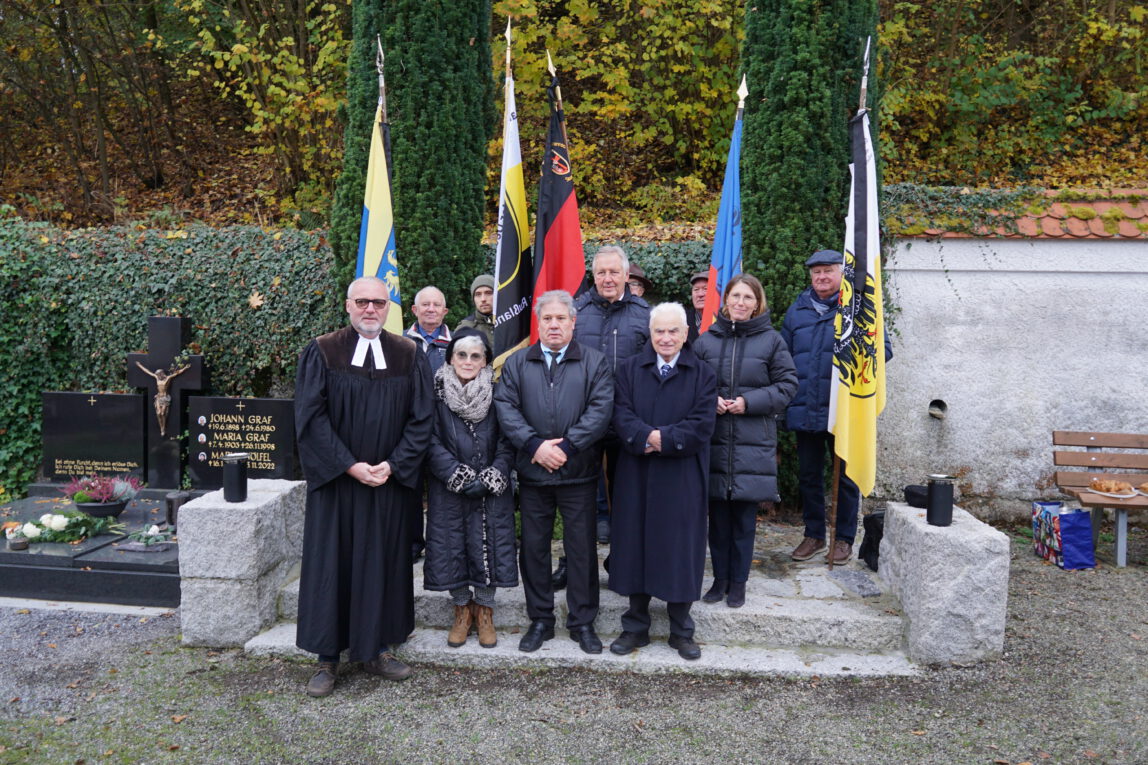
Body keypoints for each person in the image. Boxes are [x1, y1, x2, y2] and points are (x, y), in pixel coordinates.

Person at [294, 276, 434, 697]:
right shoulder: (322, 351)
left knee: (384, 564)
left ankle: (376, 649)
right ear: (348, 305)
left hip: (388, 483)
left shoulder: (410, 354)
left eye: (378, 302)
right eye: (362, 302)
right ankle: (327, 658)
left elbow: (421, 419)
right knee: (331, 565)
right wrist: (349, 465)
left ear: (389, 307)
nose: (370, 309)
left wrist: (393, 464)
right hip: (339, 483)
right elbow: (310, 418)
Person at [494, 290, 614, 654]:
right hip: (533, 475)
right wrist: (535, 446)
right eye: (547, 319)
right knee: (534, 549)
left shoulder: (594, 362)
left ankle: (582, 622)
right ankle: (541, 620)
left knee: (581, 551)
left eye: (561, 318)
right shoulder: (517, 364)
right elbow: (506, 408)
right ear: (538, 323)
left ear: (573, 323)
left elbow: (601, 408)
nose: (554, 324)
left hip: (578, 473)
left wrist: (566, 447)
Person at [608, 303, 717, 661]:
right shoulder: (627, 369)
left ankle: (681, 630)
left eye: (673, 331)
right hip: (635, 472)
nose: (666, 338)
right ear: (650, 334)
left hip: (682, 474)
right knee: (634, 543)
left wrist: (662, 440)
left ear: (686, 335)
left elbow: (702, 423)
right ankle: (635, 625)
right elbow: (619, 414)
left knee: (679, 547)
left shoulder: (702, 373)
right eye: (659, 331)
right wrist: (647, 437)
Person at [781, 249, 891, 565]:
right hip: (806, 408)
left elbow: (881, 352)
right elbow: (782, 360)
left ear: (841, 273)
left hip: (844, 411)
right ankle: (814, 535)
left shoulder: (858, 309)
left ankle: (842, 539)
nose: (822, 277)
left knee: (846, 477)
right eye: (816, 272)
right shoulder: (797, 312)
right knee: (809, 476)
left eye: (828, 271)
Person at [694, 274, 797, 607]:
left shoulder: (772, 341)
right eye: (735, 296)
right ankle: (719, 579)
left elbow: (787, 386)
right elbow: (689, 383)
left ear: (757, 304)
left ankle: (738, 582)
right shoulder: (705, 341)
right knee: (717, 520)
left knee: (742, 520)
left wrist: (748, 403)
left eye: (747, 298)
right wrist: (708, 400)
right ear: (725, 300)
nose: (740, 303)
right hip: (713, 442)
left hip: (753, 443)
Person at [423, 330, 517, 649]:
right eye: (461, 355)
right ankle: (463, 609)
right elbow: (429, 440)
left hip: (491, 489)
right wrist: (457, 475)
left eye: (475, 355)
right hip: (449, 487)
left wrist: (493, 475)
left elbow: (509, 440)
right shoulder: (434, 396)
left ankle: (485, 610)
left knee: (490, 545)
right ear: (450, 358)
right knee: (453, 546)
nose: (468, 361)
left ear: (486, 361)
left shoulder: (499, 394)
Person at [571, 245, 650, 546]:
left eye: (613, 272)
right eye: (601, 272)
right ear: (593, 275)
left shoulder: (645, 316)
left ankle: (623, 563)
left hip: (627, 420)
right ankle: (574, 562)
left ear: (626, 275)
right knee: (579, 497)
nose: (607, 278)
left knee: (627, 495)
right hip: (583, 419)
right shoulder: (575, 313)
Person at [406, 285, 452, 373]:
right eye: (425, 304)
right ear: (415, 310)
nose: (431, 309)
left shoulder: (456, 342)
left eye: (437, 305)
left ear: (444, 312)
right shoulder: (401, 340)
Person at [454, 274, 495, 347]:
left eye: (488, 293)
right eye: (478, 294)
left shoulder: (510, 322)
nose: (483, 299)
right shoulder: (465, 328)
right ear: (473, 299)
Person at [686, 271, 708, 343]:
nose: (700, 294)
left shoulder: (724, 321)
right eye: (696, 289)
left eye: (705, 289)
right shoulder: (682, 320)